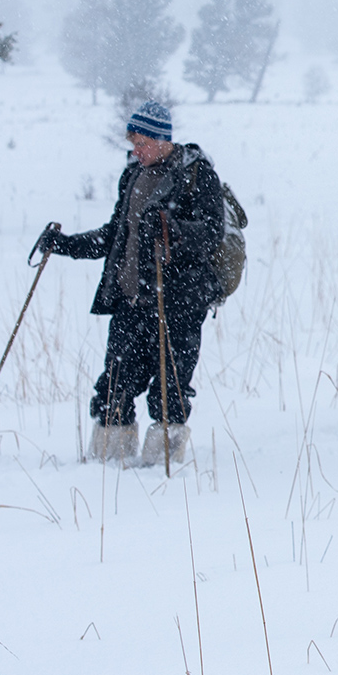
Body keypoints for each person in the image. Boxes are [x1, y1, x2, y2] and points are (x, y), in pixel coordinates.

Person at [40, 101, 223, 465]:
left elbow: (213, 233)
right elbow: (115, 235)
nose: (135, 151)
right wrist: (65, 245)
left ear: (161, 139)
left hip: (180, 301)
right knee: (114, 386)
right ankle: (108, 462)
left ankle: (162, 465)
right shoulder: (132, 176)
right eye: (133, 144)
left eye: (141, 143)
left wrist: (174, 230)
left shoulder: (196, 174)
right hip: (131, 299)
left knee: (169, 390)